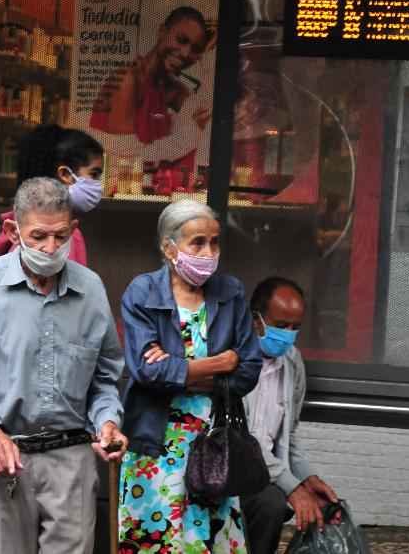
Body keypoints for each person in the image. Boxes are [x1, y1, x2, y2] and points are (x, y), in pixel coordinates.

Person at [0, 177, 127, 554]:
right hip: (3, 456)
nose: (50, 247)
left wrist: (108, 421)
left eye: (60, 237)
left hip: (72, 459)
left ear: (73, 230)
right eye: (38, 236)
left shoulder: (90, 289)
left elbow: (105, 379)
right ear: (13, 231)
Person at [119, 199, 261, 553]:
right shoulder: (143, 292)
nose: (208, 252)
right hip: (154, 442)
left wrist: (178, 370)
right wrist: (218, 363)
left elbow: (248, 370)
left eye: (214, 242)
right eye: (197, 242)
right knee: (156, 543)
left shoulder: (230, 292)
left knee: (207, 544)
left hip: (214, 446)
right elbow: (146, 371)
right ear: (169, 248)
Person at [241, 277, 340, 554]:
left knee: (323, 505)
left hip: (267, 475)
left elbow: (289, 435)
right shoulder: (233, 360)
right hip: (229, 471)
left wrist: (308, 478)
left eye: (295, 328)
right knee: (272, 501)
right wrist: (293, 488)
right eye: (281, 325)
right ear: (256, 320)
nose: (288, 334)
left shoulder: (292, 363)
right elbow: (245, 442)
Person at [90, 7, 214, 145]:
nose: (185, 53)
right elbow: (127, 148)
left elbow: (207, 117)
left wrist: (207, 56)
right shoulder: (129, 79)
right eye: (181, 40)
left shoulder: (172, 88)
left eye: (195, 49)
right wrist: (188, 131)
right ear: (162, 32)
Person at [0, 124, 104, 266]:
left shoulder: (21, 226)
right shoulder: (66, 237)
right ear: (64, 174)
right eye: (93, 174)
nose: (51, 246)